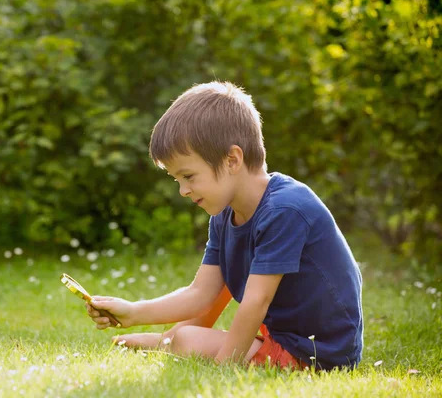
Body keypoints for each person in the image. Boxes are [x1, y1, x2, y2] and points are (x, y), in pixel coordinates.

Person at [86, 81, 363, 370]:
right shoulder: (224, 215)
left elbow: (257, 301)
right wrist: (133, 312)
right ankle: (169, 339)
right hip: (283, 338)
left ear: (232, 159)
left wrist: (222, 368)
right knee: (192, 325)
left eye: (189, 176)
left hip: (316, 356)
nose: (182, 190)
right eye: (176, 180)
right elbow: (201, 294)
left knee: (187, 340)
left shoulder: (285, 209)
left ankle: (169, 343)